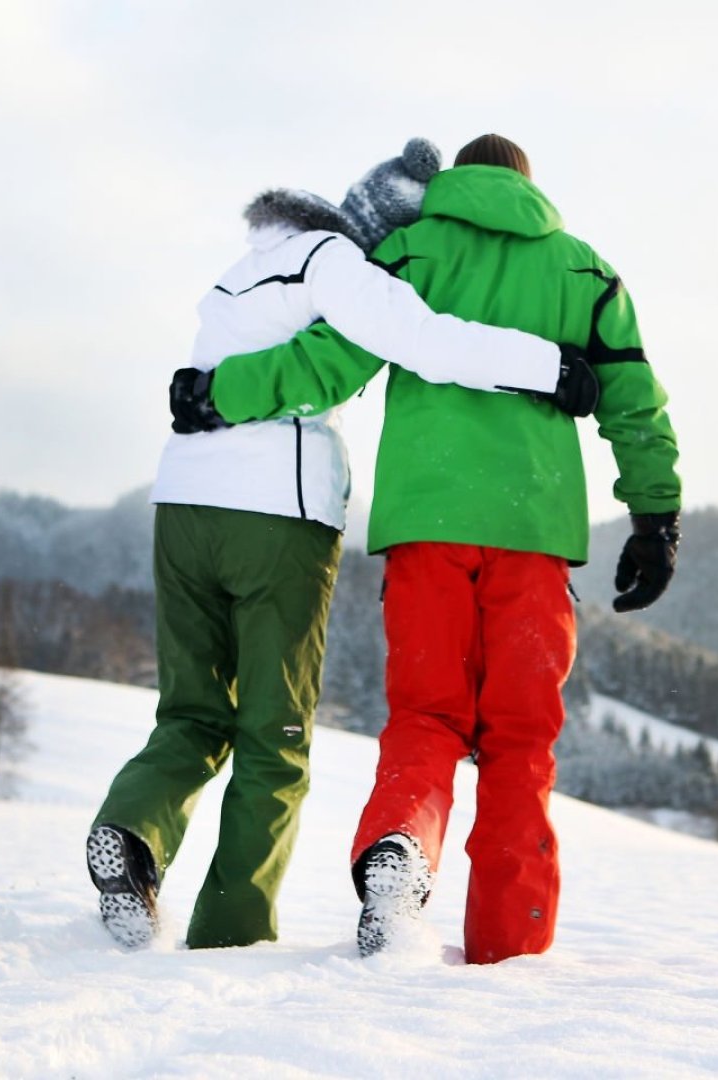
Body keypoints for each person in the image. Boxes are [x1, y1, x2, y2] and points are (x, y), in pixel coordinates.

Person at [86, 138, 596, 951]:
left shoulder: (246, 268)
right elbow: (425, 341)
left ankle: (133, 831)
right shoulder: (343, 268)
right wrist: (552, 367)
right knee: (274, 736)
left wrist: (211, 395)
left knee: (188, 710)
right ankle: (233, 934)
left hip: (180, 503)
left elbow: (251, 366)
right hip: (274, 512)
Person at [199, 134, 681, 963]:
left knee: (426, 717)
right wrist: (654, 518)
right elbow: (634, 401)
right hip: (533, 537)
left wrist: (223, 391)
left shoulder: (408, 250)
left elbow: (333, 360)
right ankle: (508, 948)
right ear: (528, 185)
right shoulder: (584, 271)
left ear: (454, 181)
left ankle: (400, 848)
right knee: (520, 743)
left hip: (427, 533)